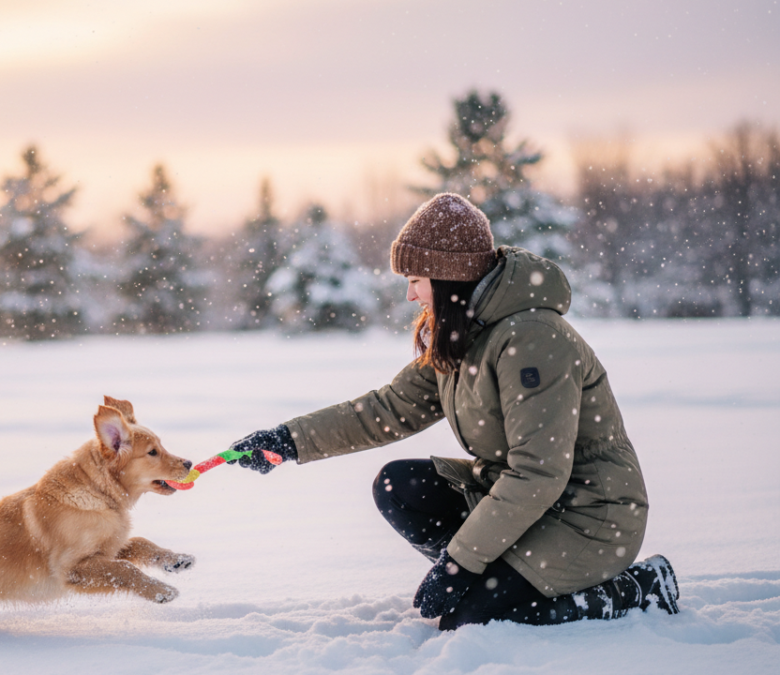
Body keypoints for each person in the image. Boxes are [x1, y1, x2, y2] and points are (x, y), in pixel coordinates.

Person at [228, 193, 680, 630]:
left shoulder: (532, 339)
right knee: (399, 485)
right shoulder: (465, 334)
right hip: (524, 503)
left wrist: (459, 565)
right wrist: (288, 440)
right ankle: (492, 577)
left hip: (588, 514)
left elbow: (540, 474)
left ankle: (638, 588)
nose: (410, 296)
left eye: (415, 280)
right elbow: (386, 409)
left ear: (447, 278)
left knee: (473, 621)